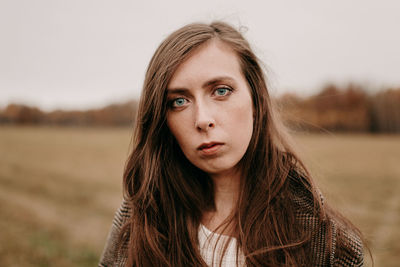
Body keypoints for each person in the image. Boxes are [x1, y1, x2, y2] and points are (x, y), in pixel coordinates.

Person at [98, 21, 364, 267]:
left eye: (221, 91)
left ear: (256, 101)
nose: (202, 120)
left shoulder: (326, 240)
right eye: (179, 101)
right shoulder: (140, 217)